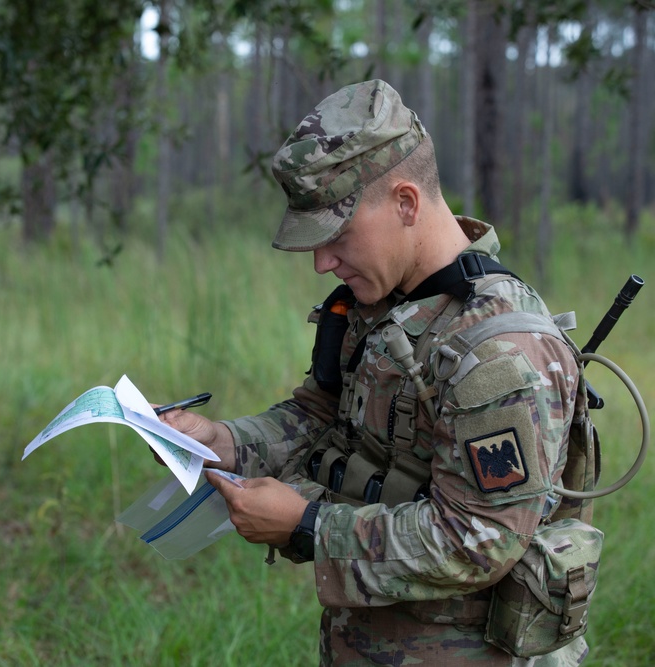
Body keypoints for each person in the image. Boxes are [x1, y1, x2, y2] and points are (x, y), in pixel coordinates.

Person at [159, 80, 588, 666]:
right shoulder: (377, 307)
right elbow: (319, 418)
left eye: (336, 236)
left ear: (406, 203)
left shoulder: (500, 354)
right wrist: (223, 442)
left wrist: (308, 525)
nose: (321, 262)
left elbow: (479, 542)